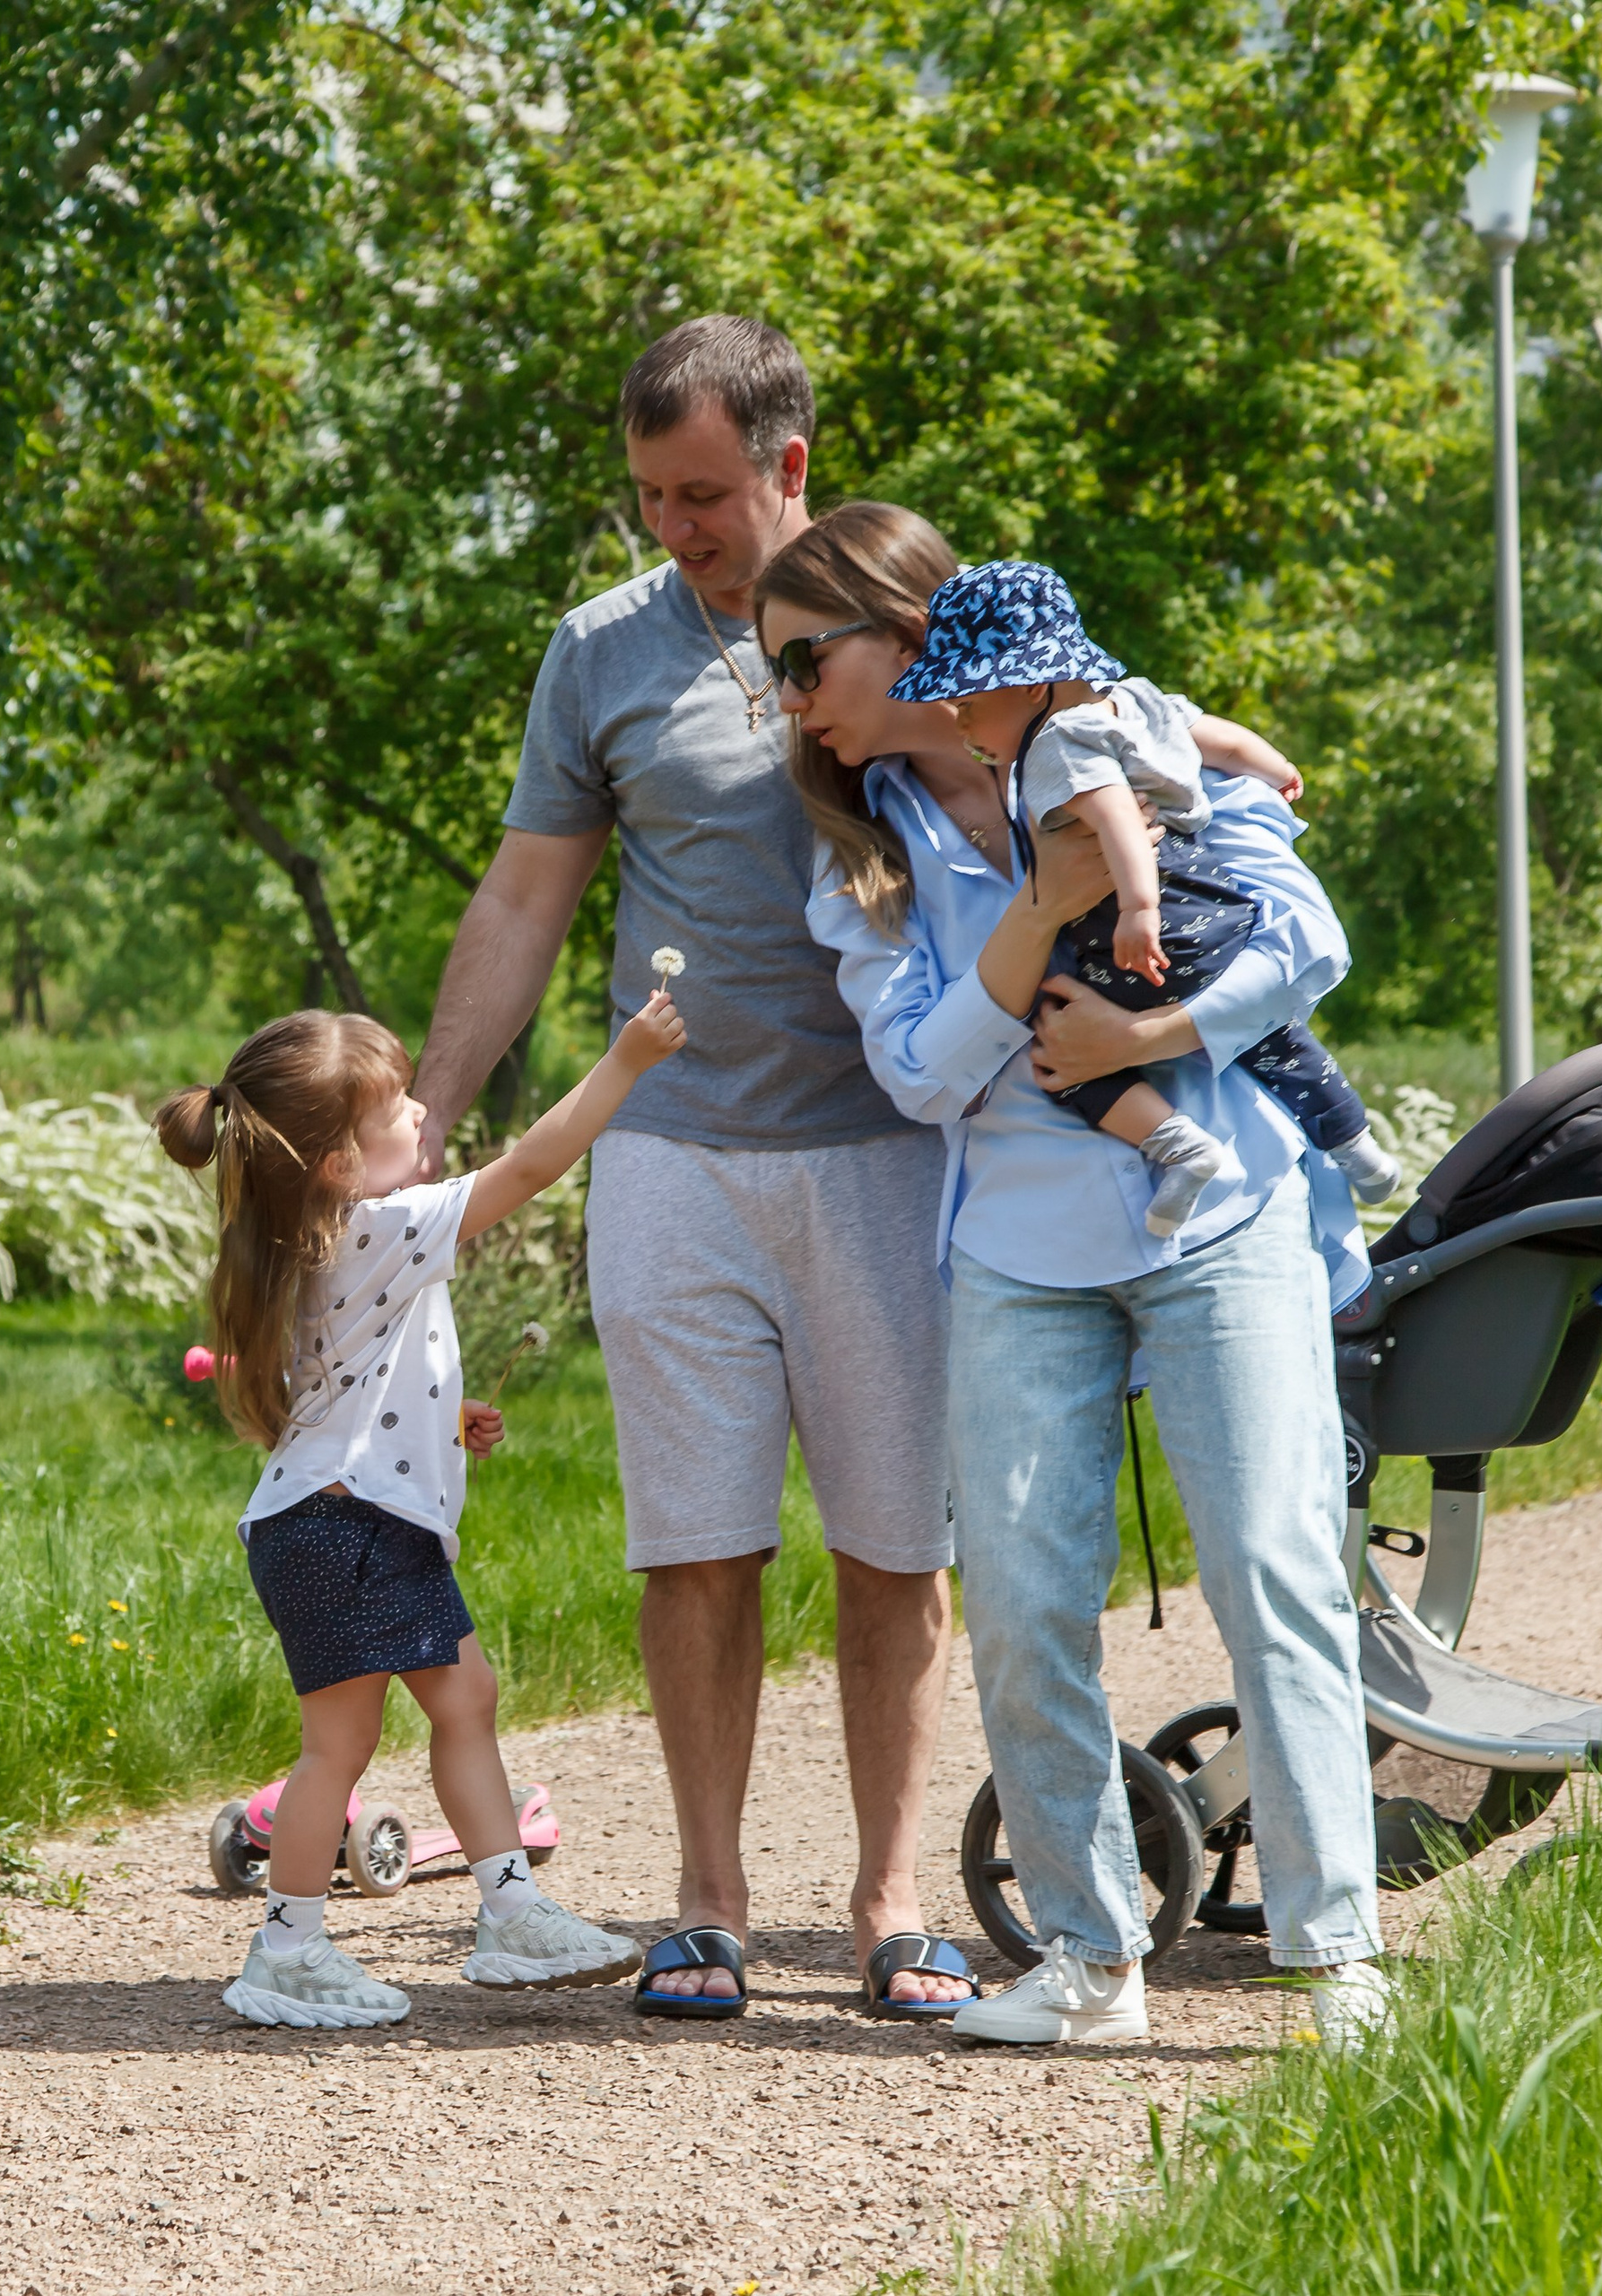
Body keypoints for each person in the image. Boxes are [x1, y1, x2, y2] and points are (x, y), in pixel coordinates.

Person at [755, 500, 1390, 2051]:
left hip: (1222, 1221)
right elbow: (920, 1071)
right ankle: (1091, 1962)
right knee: (1027, 1603)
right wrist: (1042, 909)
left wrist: (1149, 1035)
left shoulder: (1124, 736)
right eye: (773, 674)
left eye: (804, 660)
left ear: (906, 628)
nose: (789, 700)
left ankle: (1335, 1957)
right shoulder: (861, 856)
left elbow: (1305, 939)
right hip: (1017, 1257)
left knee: (1274, 1573)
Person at [412, 316, 974, 2021]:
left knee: (896, 1543)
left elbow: (1066, 754)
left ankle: (888, 1903)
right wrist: (427, 1128)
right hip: (672, 1154)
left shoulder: (909, 614)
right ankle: (708, 1902)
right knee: (696, 1542)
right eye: (650, 495)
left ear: (790, 466)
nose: (675, 527)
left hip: (889, 1152)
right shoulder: (600, 653)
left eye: (705, 494)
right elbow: (526, 899)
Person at [155, 992, 684, 2030]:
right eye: (395, 1107)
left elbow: (341, 1385)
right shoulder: (383, 1225)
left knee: (457, 1699)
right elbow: (528, 1169)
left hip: (334, 1522)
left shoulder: (296, 1242)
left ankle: (503, 1910)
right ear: (336, 1163)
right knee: (347, 1744)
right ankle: (295, 1949)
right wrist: (623, 1061)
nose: (419, 1114)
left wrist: (442, 1416)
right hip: (351, 1529)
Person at [888, 559, 1400, 1237]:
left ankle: (1180, 1148)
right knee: (1270, 1035)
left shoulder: (1057, 743)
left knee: (1060, 1051)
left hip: (1142, 927)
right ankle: (1356, 1144)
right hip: (1218, 909)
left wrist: (1138, 911)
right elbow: (1219, 737)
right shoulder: (1137, 702)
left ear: (1032, 686)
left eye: (969, 705)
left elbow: (1118, 819)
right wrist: (1276, 769)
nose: (960, 725)